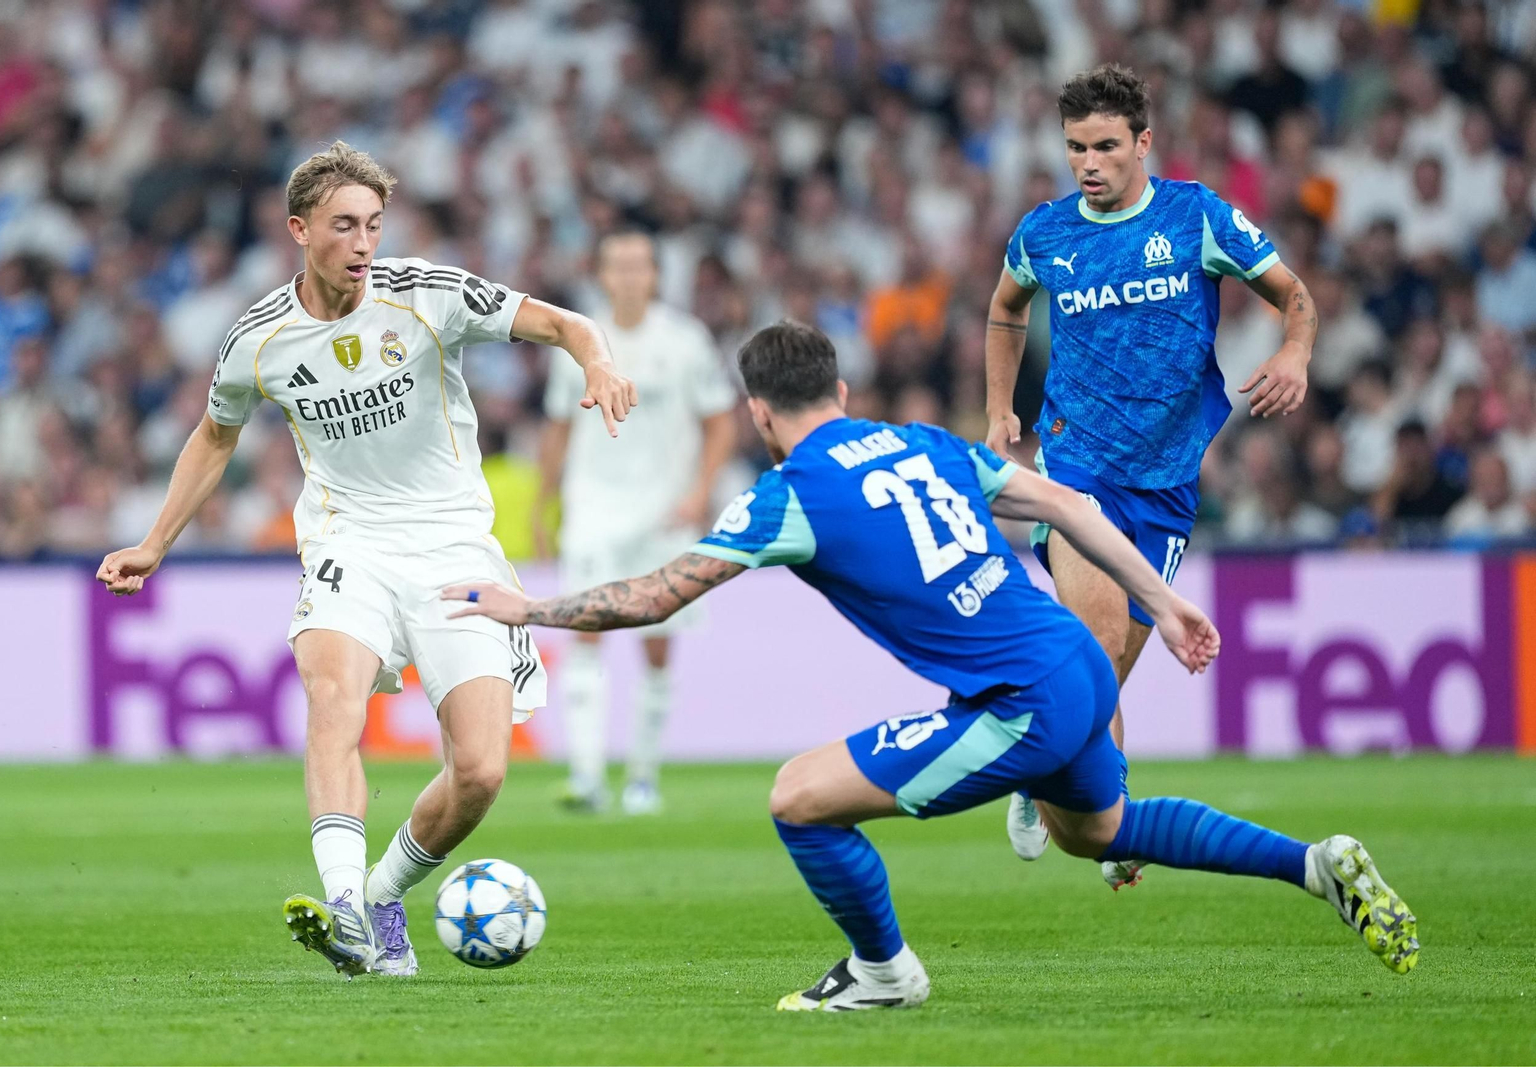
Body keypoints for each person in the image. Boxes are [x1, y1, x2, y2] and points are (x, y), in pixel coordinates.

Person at [447, 321, 1417, 1011]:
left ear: (756, 413)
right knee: (1101, 831)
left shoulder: (790, 492)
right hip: (1078, 663)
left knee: (796, 795)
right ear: (841, 391)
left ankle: (882, 972)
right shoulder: (927, 444)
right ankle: (1312, 863)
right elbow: (1071, 507)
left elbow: (658, 593)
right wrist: (1158, 601)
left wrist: (526, 606)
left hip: (1019, 700)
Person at [95, 142, 637, 979]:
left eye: (373, 226)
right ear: (299, 229)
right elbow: (215, 434)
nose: (362, 242)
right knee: (333, 698)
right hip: (349, 543)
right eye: (344, 225)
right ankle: (343, 905)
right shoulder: (258, 337)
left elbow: (565, 322)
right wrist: (154, 542)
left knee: (482, 770)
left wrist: (597, 359)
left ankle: (385, 894)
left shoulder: (428, 295)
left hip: (456, 549)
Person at [983, 65, 1319, 888]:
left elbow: (1294, 294)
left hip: (1167, 482)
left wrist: (1295, 349)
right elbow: (1004, 308)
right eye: (1074, 148)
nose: (1088, 163)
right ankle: (1106, 806)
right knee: (1095, 647)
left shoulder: (1196, 216)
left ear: (1143, 143)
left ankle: (1054, 771)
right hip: (1076, 467)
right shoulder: (1046, 231)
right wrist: (1000, 410)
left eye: (1104, 146)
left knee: (1109, 670)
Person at [535, 230, 737, 815]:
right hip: (593, 506)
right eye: (616, 265)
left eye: (637, 265)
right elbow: (557, 427)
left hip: (662, 512)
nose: (626, 276)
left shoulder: (685, 340)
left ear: (654, 275)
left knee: (656, 645)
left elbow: (720, 420)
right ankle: (587, 775)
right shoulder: (579, 338)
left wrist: (700, 491)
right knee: (584, 634)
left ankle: (643, 775)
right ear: (600, 275)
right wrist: (544, 502)